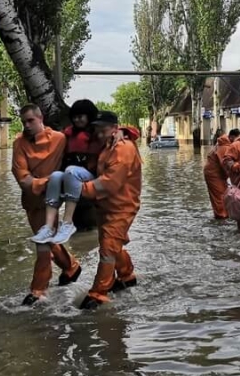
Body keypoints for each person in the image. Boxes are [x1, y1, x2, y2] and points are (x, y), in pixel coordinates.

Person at [32, 100, 141, 246]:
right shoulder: (67, 134)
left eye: (81, 116)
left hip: (90, 186)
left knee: (106, 242)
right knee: (56, 176)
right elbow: (49, 138)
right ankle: (50, 226)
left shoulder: (99, 135)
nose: (77, 120)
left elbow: (127, 131)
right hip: (75, 187)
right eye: (75, 117)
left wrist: (122, 131)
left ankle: (68, 224)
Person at [11, 104, 81, 306]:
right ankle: (71, 266)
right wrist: (50, 181)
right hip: (31, 200)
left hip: (51, 201)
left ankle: (39, 289)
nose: (26, 125)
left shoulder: (59, 138)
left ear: (41, 119)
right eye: (23, 122)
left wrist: (121, 132)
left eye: (30, 120)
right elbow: (23, 179)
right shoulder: (19, 144)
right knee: (48, 240)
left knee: (42, 244)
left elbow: (87, 136)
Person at [78, 110, 143, 310]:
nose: (99, 134)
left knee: (107, 249)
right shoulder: (108, 144)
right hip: (107, 206)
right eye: (97, 130)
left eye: (103, 130)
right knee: (112, 245)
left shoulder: (123, 148)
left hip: (121, 207)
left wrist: (79, 189)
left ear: (114, 128)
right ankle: (127, 276)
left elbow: (109, 183)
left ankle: (98, 294)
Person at [203, 128, 240, 220]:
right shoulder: (225, 147)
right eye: (237, 139)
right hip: (213, 174)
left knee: (223, 194)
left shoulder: (225, 145)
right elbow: (225, 164)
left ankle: (223, 214)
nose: (238, 142)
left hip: (217, 173)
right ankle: (221, 216)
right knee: (219, 196)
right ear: (231, 137)